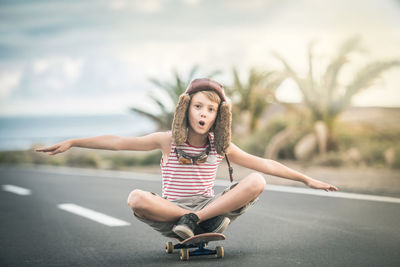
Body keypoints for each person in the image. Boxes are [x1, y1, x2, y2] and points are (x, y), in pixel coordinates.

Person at [36, 78, 338, 241]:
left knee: (257, 180)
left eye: (211, 109)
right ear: (186, 109)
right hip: (172, 213)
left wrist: (306, 178)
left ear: (219, 116)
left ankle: (197, 221)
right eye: (198, 106)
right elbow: (117, 142)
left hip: (209, 209)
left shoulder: (221, 146)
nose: (204, 114)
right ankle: (191, 221)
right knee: (136, 198)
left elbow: (266, 165)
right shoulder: (166, 141)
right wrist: (74, 142)